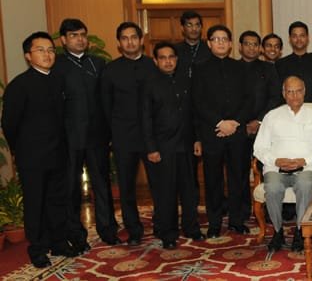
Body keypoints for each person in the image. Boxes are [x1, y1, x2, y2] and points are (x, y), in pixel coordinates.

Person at [2, 32, 78, 268]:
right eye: (40, 50)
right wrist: (21, 151)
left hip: (58, 154)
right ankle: (37, 248)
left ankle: (58, 241)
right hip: (32, 158)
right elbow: (9, 124)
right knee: (35, 204)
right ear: (28, 56)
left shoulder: (58, 80)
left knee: (57, 201)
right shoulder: (19, 85)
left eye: (51, 50)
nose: (47, 54)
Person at [52, 18, 118, 250]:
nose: (80, 39)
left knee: (102, 184)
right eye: (74, 35)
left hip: (97, 136)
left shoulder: (98, 64)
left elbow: (108, 100)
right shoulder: (57, 66)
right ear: (63, 39)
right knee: (71, 188)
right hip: (69, 138)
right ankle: (76, 234)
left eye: (82, 35)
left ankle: (108, 230)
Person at [254, 76, 312, 252]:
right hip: (276, 167)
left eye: (298, 91)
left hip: (307, 167)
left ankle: (300, 231)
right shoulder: (272, 116)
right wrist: (275, 160)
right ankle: (277, 231)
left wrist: (305, 160)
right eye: (290, 91)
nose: (295, 96)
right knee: (273, 188)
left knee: (304, 185)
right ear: (283, 94)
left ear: (304, 92)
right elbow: (258, 148)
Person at [140, 42, 205, 249]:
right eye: (163, 57)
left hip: (185, 145)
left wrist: (197, 139)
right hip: (162, 147)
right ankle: (168, 233)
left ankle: (191, 227)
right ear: (156, 60)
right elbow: (145, 119)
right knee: (166, 193)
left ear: (177, 59)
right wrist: (151, 148)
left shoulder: (186, 81)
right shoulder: (149, 84)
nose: (168, 61)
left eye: (171, 57)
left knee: (189, 190)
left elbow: (194, 113)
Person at [101, 22, 158, 246]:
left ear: (141, 39)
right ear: (118, 43)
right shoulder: (110, 70)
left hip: (152, 138)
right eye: (124, 38)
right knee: (126, 188)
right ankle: (134, 229)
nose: (130, 42)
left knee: (158, 184)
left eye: (134, 37)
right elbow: (106, 107)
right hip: (124, 138)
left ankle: (162, 225)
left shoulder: (154, 66)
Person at [192, 25, 252, 238]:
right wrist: (219, 122)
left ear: (230, 43)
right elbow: (198, 102)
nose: (220, 43)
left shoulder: (241, 68)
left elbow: (248, 99)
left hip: (236, 132)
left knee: (238, 178)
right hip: (212, 133)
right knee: (213, 179)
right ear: (208, 43)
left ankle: (236, 220)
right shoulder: (199, 68)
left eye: (224, 39)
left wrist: (235, 122)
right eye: (215, 39)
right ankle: (215, 222)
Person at [238, 30, 281, 219]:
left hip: (264, 128)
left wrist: (259, 121)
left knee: (267, 171)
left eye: (255, 44)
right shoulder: (233, 68)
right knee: (238, 172)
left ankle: (269, 212)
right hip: (238, 128)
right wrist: (243, 123)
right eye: (247, 44)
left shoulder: (268, 69)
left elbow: (275, 97)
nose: (251, 47)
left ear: (259, 48)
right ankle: (242, 213)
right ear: (240, 47)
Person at [276, 21, 312, 104]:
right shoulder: (280, 64)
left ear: (307, 38)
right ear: (290, 39)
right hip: (288, 112)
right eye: (295, 36)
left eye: (302, 36)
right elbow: (278, 92)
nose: (299, 39)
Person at [174, 10, 211, 79]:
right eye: (189, 25)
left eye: (197, 25)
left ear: (201, 27)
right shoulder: (175, 50)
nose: (194, 29)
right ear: (182, 28)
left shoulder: (209, 47)